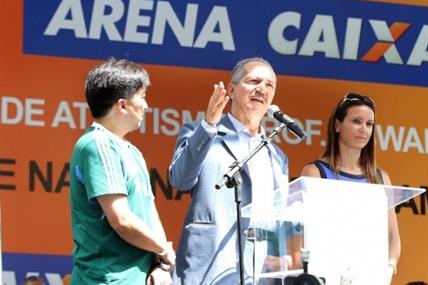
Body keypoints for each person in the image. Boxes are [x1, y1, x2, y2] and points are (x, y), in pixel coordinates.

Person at [169, 57, 289, 284]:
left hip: (260, 276)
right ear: (231, 90)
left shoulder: (277, 157)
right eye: (254, 81)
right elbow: (180, 179)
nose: (262, 89)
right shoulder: (200, 132)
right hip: (209, 270)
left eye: (269, 85)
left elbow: (279, 221)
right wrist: (208, 126)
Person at [69, 58, 175, 284]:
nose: (147, 106)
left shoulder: (131, 151)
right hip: (107, 279)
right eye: (143, 97)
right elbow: (122, 220)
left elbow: (149, 213)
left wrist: (160, 264)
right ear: (123, 105)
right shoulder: (98, 143)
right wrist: (164, 250)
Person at [300, 92, 400, 283]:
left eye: (369, 124)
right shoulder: (315, 172)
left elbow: (393, 235)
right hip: (327, 275)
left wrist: (389, 268)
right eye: (356, 121)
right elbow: (303, 235)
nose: (364, 129)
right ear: (337, 125)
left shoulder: (381, 178)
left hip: (370, 277)